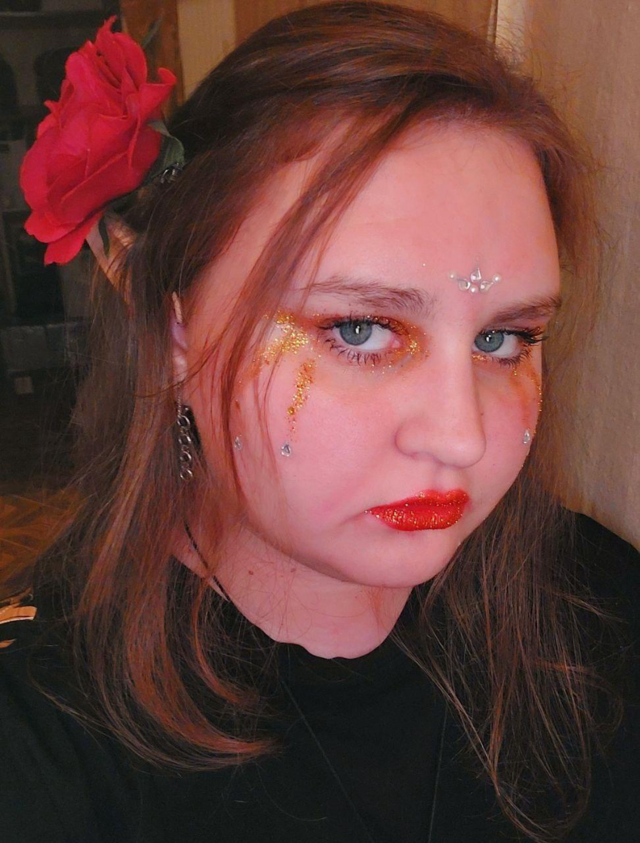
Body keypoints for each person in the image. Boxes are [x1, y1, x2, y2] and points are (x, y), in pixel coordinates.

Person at [2, 2, 639, 841]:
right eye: (361, 330)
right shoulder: (41, 745)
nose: (462, 437)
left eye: (503, 338)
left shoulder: (602, 611)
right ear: (171, 326)